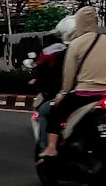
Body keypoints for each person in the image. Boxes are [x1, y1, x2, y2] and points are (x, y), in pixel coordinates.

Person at [39, 5, 106, 158]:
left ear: (79, 22)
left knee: (56, 112)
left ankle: (51, 147)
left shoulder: (75, 44)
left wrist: (62, 94)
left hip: (85, 94)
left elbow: (68, 75)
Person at [29, 16, 75, 151]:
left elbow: (44, 72)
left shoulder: (60, 52)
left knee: (45, 111)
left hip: (70, 92)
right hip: (104, 92)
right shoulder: (103, 43)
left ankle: (46, 147)